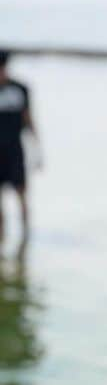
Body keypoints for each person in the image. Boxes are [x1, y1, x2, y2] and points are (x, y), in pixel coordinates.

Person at [0, 49, 41, 250]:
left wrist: (37, 149)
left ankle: (26, 237)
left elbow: (29, 120)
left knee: (21, 194)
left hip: (15, 150)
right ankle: (4, 240)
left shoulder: (20, 89)